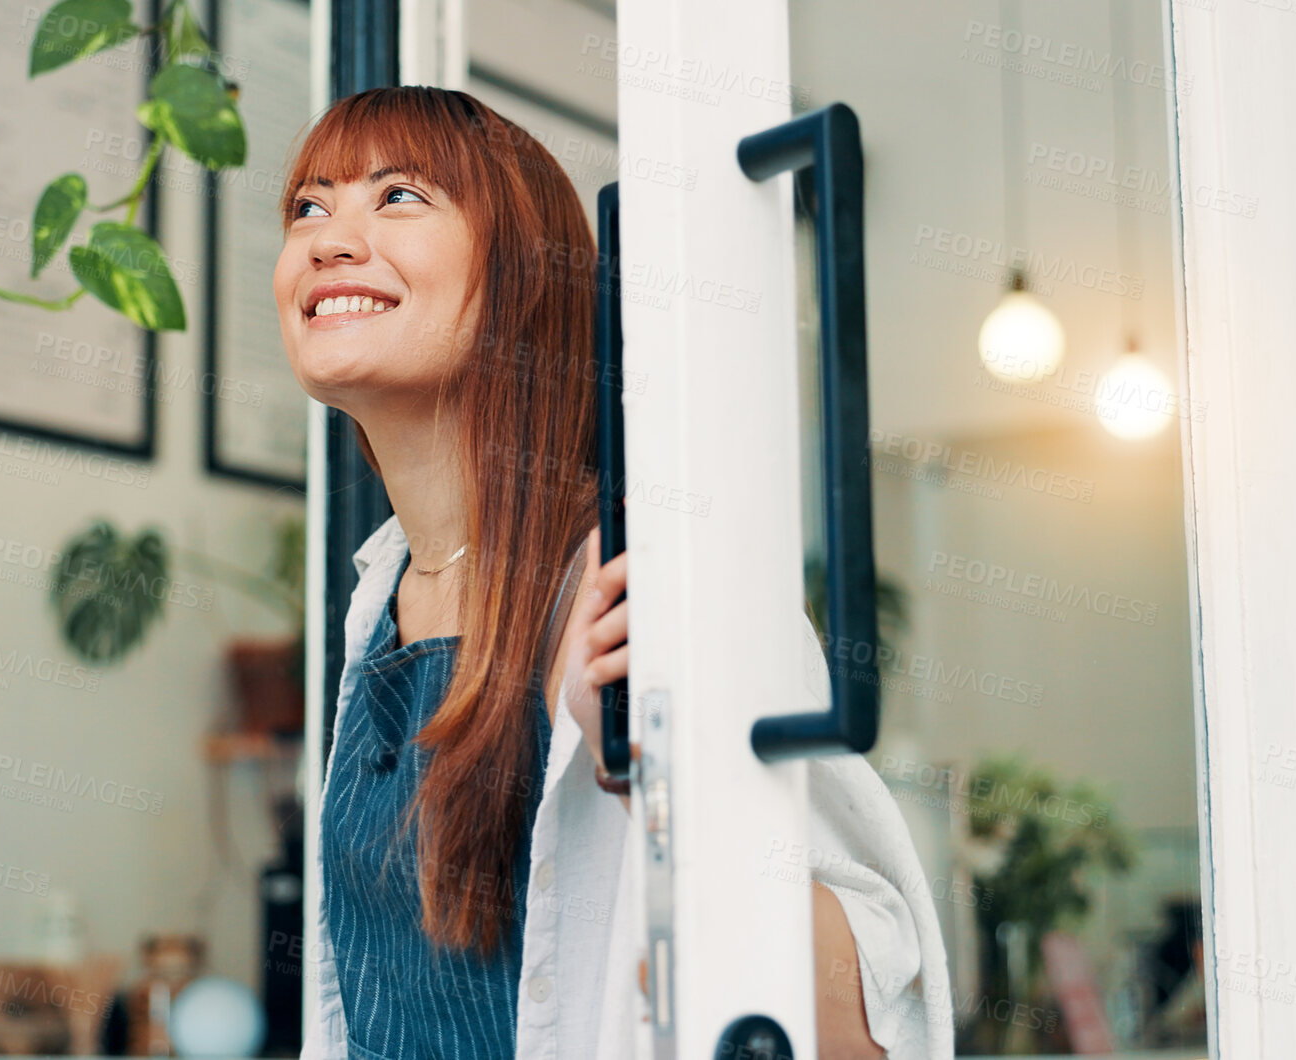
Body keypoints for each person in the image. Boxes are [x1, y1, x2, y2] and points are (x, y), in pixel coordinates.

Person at [275, 85, 952, 1060]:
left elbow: (862, 1035)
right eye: (308, 206)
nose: (329, 239)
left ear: (521, 273)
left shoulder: (648, 578)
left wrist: (662, 774)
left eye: (397, 197)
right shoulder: (377, 595)